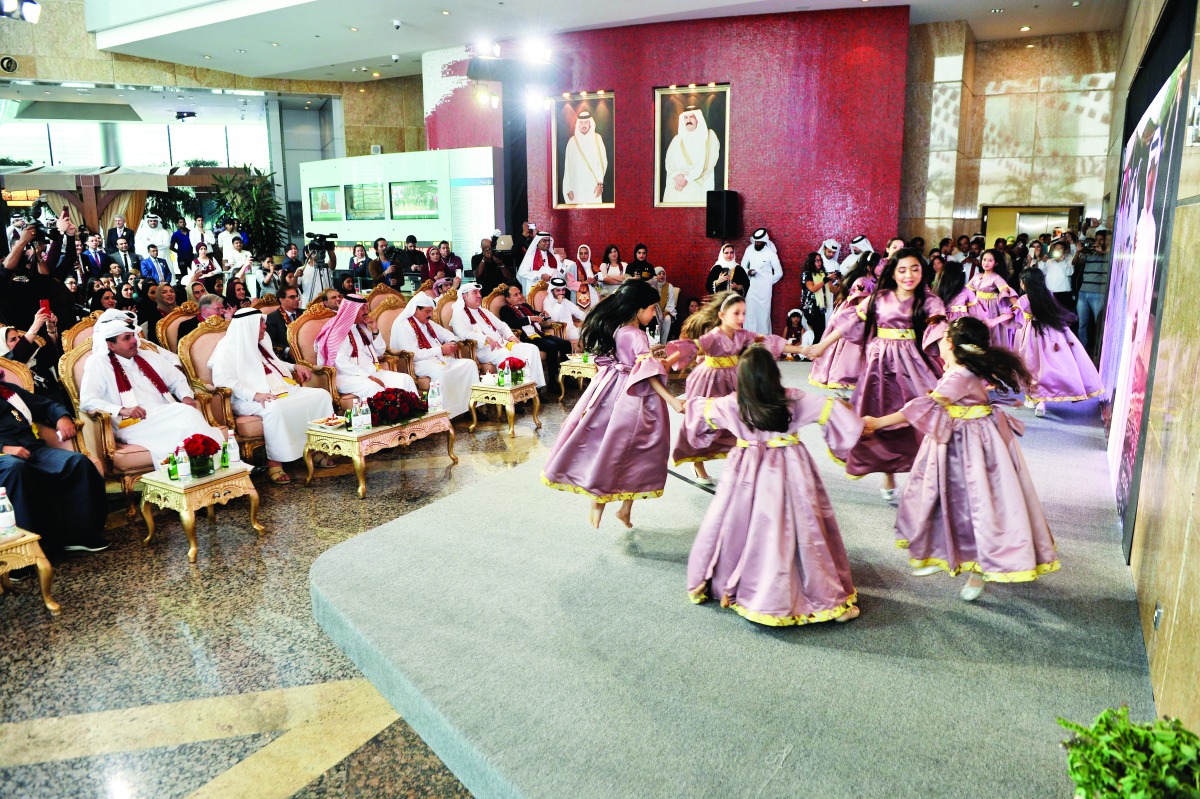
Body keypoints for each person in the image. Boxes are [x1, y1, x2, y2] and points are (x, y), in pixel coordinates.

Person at [863, 317, 1059, 601]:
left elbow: (923, 407)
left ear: (951, 343)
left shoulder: (960, 376)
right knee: (948, 501)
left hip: (973, 448)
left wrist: (878, 423)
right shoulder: (960, 370)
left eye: (942, 338)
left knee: (978, 505)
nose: (938, 343)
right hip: (958, 442)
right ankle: (941, 551)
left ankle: (978, 569)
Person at [684, 346, 863, 625]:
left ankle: (744, 585)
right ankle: (822, 597)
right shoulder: (795, 400)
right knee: (801, 524)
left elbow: (697, 417)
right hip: (791, 469)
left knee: (739, 522)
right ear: (774, 374)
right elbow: (838, 414)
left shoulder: (732, 404)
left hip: (745, 471)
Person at [803, 248, 946, 501]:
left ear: (922, 272)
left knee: (922, 414)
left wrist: (952, 362)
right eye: (902, 270)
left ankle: (928, 471)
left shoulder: (930, 300)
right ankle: (888, 471)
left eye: (915, 269)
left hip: (914, 365)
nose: (908, 275)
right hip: (879, 366)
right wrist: (821, 347)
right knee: (877, 417)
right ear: (893, 272)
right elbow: (850, 323)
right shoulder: (879, 297)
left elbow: (940, 332)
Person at [541, 280, 684, 528]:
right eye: (651, 308)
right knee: (638, 450)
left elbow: (625, 362)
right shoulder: (636, 334)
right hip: (634, 397)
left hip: (609, 388)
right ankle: (606, 502)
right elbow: (646, 372)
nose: (653, 313)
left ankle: (618, 508)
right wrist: (672, 400)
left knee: (610, 445)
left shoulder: (616, 329)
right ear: (637, 308)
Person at [666, 291, 801, 484]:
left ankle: (744, 460)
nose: (741, 318)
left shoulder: (743, 335)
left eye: (744, 313)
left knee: (742, 418)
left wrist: (802, 349)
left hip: (735, 378)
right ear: (722, 315)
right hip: (709, 380)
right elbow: (692, 347)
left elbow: (767, 341)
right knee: (704, 423)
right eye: (736, 313)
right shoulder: (713, 336)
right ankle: (697, 463)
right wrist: (669, 361)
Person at [209, 308, 334, 484]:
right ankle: (275, 462)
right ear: (248, 326)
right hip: (247, 398)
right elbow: (224, 381)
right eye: (260, 323)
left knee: (320, 395)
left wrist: (294, 367)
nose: (264, 327)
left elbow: (273, 362)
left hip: (278, 388)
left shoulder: (262, 340)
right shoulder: (227, 349)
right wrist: (255, 394)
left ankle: (316, 449)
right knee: (275, 408)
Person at [79, 313, 223, 465]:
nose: (134, 341)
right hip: (132, 424)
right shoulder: (99, 363)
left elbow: (177, 379)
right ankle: (211, 463)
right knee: (187, 415)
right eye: (126, 338)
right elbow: (88, 401)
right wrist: (122, 410)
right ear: (110, 345)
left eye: (133, 336)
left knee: (187, 413)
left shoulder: (148, 356)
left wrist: (186, 396)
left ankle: (202, 465)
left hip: (162, 412)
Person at [0, 370, 109, 554]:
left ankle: (79, 536)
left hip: (33, 451)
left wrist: (62, 418)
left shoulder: (8, 391)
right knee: (15, 468)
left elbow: (46, 405)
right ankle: (24, 550)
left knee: (77, 462)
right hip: (4, 459)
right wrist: (4, 448)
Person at [1010, 268, 1103, 417]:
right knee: (1049, 367)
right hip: (1051, 333)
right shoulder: (1048, 295)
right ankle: (1041, 401)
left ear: (1024, 283)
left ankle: (1035, 399)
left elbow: (1011, 313)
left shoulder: (1024, 299)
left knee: (1031, 367)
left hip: (1030, 336)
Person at [315, 294, 418, 400]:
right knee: (373, 387)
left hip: (372, 371)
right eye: (362, 308)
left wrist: (374, 329)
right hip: (347, 377)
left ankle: (414, 412)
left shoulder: (362, 328)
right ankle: (387, 416)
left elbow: (379, 353)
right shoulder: (338, 331)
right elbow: (341, 363)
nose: (366, 312)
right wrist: (368, 377)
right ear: (352, 310)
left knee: (405, 379)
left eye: (366, 308)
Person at [389, 293, 475, 418]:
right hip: (418, 363)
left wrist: (452, 341)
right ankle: (444, 414)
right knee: (442, 372)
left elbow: (445, 333)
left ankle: (468, 407)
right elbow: (415, 354)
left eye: (431, 311)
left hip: (437, 358)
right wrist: (440, 349)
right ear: (416, 309)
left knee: (469, 364)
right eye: (427, 311)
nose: (430, 315)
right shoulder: (404, 326)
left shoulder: (427, 322)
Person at [809, 250, 884, 392]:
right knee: (852, 351)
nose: (882, 267)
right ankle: (847, 377)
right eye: (879, 264)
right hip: (857, 320)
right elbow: (863, 306)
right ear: (869, 267)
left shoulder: (874, 281)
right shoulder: (862, 282)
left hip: (867, 317)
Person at [450, 283, 547, 387]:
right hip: (484, 349)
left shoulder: (483, 311)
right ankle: (510, 394)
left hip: (502, 344)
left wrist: (510, 336)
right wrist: (486, 338)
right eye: (474, 293)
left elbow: (502, 326)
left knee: (530, 348)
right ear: (464, 297)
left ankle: (533, 388)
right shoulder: (459, 314)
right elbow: (463, 334)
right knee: (504, 354)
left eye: (479, 292)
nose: (479, 295)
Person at [498, 284, 572, 387]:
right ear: (508, 299)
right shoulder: (505, 309)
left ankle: (567, 378)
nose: (520, 296)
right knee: (552, 346)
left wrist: (543, 315)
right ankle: (552, 382)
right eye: (516, 295)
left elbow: (536, 315)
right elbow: (511, 323)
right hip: (527, 337)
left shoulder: (525, 306)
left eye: (520, 293)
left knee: (566, 344)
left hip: (540, 333)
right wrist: (530, 319)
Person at [662, 105, 721, 204]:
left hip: (698, 187)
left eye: (691, 117)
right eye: (686, 117)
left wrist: (687, 179)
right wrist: (676, 176)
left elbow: (709, 163)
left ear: (698, 119)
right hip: (677, 187)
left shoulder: (709, 136)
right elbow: (669, 162)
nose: (688, 120)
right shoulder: (677, 139)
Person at [968, 248, 1018, 348]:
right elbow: (967, 290)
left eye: (990, 260)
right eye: (984, 259)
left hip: (991, 308)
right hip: (977, 306)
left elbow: (1006, 290)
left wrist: (1017, 304)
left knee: (991, 334)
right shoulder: (977, 276)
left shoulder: (996, 278)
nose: (986, 263)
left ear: (996, 263)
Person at [1072, 227, 1110, 352]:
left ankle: (1099, 350)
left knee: (1099, 324)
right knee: (1082, 324)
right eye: (1097, 239)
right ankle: (1082, 349)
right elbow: (1075, 262)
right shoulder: (1090, 253)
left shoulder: (1110, 254)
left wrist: (1103, 251)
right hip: (1083, 293)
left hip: (1098, 294)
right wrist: (1079, 252)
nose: (1098, 242)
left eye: (1101, 240)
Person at [741, 228, 783, 335]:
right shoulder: (749, 249)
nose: (757, 243)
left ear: (764, 241)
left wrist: (768, 282)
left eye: (759, 242)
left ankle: (764, 343)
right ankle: (749, 342)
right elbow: (742, 267)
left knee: (763, 317)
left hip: (765, 291)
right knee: (750, 315)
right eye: (756, 241)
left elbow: (779, 273)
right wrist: (748, 272)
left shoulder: (771, 253)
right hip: (750, 288)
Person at [562, 111, 608, 205]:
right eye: (581, 122)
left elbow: (603, 163)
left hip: (593, 189)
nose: (584, 125)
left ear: (590, 123)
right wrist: (568, 189)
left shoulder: (597, 139)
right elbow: (567, 168)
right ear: (578, 124)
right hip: (576, 190)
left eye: (586, 122)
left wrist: (600, 184)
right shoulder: (572, 142)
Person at [544, 277, 587, 350]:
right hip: (561, 332)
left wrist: (591, 319)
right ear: (552, 291)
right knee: (587, 334)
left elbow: (579, 313)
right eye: (558, 290)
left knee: (592, 329)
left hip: (572, 330)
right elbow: (553, 318)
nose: (561, 293)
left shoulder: (566, 301)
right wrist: (559, 303)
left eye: (563, 290)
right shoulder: (547, 302)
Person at [266, 286, 303, 360]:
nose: (296, 299)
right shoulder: (272, 318)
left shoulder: (305, 313)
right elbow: (270, 341)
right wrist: (287, 350)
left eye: (297, 296)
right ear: (281, 300)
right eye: (292, 297)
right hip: (287, 358)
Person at [1041, 240, 1075, 310]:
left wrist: (1061, 261)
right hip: (1050, 292)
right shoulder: (1049, 261)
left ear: (1065, 250)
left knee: (1064, 314)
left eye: (1060, 248)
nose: (1057, 250)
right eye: (1056, 249)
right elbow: (1042, 272)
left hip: (1063, 293)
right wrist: (1043, 261)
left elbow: (1069, 272)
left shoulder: (1069, 259)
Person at [564, 244, 599, 312]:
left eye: (585, 253)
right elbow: (570, 283)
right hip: (578, 297)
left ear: (589, 254)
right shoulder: (573, 267)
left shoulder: (594, 267)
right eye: (581, 253)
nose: (583, 256)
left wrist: (594, 282)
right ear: (578, 254)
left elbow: (601, 283)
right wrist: (585, 282)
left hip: (594, 296)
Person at [651, 267, 680, 344]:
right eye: (659, 274)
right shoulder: (652, 286)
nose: (662, 276)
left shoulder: (669, 286)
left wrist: (666, 311)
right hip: (654, 312)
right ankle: (656, 343)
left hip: (665, 312)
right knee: (656, 319)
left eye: (663, 274)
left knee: (667, 319)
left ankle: (663, 343)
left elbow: (671, 301)